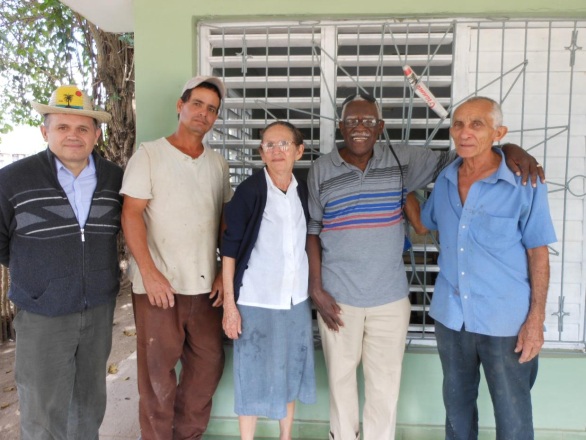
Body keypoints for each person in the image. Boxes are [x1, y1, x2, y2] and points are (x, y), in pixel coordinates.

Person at [306, 91, 544, 440]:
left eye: (368, 121)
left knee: (385, 386)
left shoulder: (403, 160)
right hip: (338, 298)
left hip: (391, 298)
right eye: (352, 121)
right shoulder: (320, 169)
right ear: (340, 126)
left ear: (380, 127)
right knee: (340, 383)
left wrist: (510, 149)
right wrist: (315, 288)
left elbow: (466, 152)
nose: (360, 127)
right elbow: (313, 229)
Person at [421, 96, 556, 439]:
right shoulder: (445, 180)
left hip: (506, 321)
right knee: (457, 412)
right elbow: (426, 223)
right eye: (458, 124)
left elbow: (538, 253)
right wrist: (403, 192)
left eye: (477, 124)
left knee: (513, 416)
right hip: (452, 317)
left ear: (499, 133)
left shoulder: (525, 183)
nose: (465, 132)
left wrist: (536, 320)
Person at [0, 85, 123, 439]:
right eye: (63, 127)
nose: (73, 135)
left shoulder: (115, 179)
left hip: (97, 309)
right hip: (43, 313)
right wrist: (40, 280)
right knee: (42, 413)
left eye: (83, 128)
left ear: (96, 134)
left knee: (88, 408)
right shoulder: (13, 180)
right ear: (45, 131)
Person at [120, 75, 233, 439]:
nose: (203, 113)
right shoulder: (149, 155)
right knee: (156, 378)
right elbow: (131, 214)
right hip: (159, 288)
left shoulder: (218, 164)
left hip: (205, 287)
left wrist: (223, 273)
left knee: (207, 369)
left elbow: (225, 222)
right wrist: (149, 273)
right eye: (197, 104)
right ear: (180, 106)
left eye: (211, 109)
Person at [222, 121, 316, 440]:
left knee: (289, 370)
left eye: (284, 144)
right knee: (250, 374)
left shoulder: (303, 190)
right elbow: (230, 250)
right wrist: (230, 307)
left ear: (299, 151)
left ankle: (285, 437)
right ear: (262, 153)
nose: (277, 151)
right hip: (256, 299)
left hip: (295, 300)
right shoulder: (249, 191)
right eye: (269, 145)